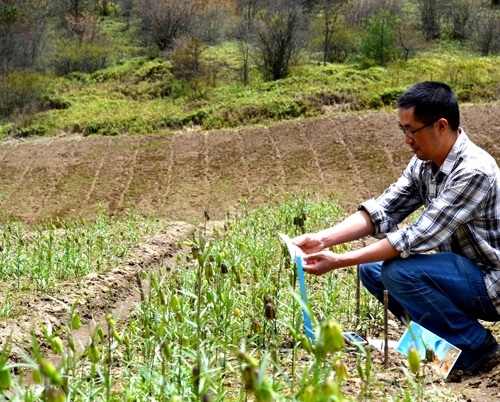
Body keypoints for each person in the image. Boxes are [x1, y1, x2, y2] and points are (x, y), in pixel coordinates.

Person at [292, 81, 500, 374]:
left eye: (411, 130)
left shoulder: (474, 170)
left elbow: (414, 237)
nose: (406, 140)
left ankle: (475, 346)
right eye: (402, 130)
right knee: (372, 270)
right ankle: (436, 347)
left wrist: (339, 261)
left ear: (441, 126)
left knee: (398, 271)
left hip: (491, 282)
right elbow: (383, 209)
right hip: (459, 273)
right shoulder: (424, 164)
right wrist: (322, 240)